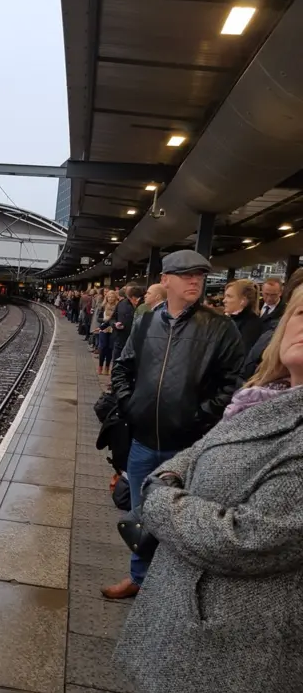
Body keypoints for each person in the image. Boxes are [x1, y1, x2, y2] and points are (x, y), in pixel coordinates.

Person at [115, 284, 303, 693]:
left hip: (251, 650)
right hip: (218, 638)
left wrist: (162, 501)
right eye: (302, 312)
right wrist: (172, 479)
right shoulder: (263, 398)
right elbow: (195, 454)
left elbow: (248, 537)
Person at [104, 249, 244, 599]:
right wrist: (130, 405)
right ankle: (139, 578)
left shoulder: (219, 328)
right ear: (166, 280)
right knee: (141, 515)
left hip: (187, 447)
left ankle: (170, 591)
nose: (195, 280)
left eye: (200, 275)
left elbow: (233, 383)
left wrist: (197, 417)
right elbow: (123, 367)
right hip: (142, 440)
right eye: (186, 274)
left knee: (180, 522)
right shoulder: (146, 323)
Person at [242, 268, 303, 380]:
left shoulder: (282, 315)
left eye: (273, 295)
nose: (269, 298)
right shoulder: (253, 308)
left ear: (280, 293)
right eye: (266, 294)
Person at [223, 279, 263, 356]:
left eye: (229, 296)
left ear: (243, 300)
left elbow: (242, 353)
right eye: (225, 296)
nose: (224, 300)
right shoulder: (227, 319)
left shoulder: (252, 325)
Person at [112, 283, 145, 363]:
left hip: (136, 345)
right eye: (126, 290)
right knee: (117, 366)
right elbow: (112, 318)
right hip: (120, 342)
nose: (127, 292)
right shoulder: (122, 303)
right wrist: (115, 324)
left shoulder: (144, 305)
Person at [96, 289, 118, 375]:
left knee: (110, 348)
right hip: (104, 329)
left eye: (112, 297)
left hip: (112, 330)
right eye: (109, 297)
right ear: (106, 298)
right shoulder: (103, 306)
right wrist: (105, 319)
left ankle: (107, 367)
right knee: (103, 347)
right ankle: (100, 366)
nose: (111, 298)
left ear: (115, 298)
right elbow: (98, 318)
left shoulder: (117, 307)